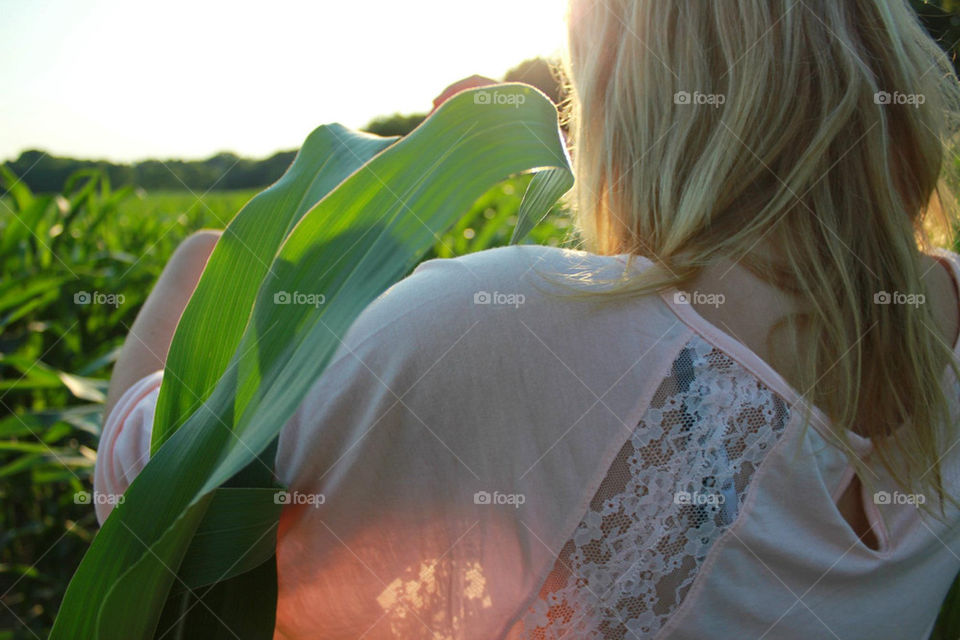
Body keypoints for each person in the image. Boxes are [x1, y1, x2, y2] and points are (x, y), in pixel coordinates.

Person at [95, 1, 960, 638]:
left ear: (632, 106)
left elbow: (152, 500)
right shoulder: (939, 316)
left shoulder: (500, 325)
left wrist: (207, 262)